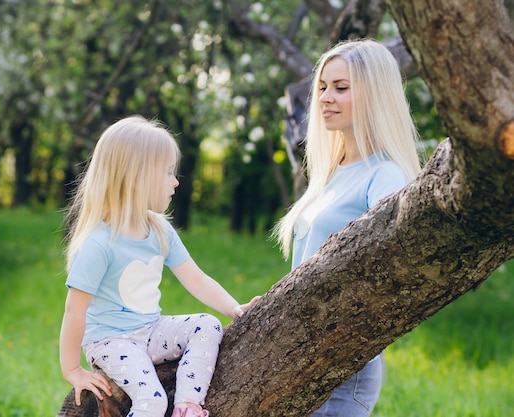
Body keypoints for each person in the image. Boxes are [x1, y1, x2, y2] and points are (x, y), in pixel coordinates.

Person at [59, 115, 260, 417]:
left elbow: (196, 279)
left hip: (151, 330)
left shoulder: (160, 230)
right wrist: (73, 369)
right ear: (136, 176)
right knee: (152, 402)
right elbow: (74, 310)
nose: (175, 181)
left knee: (207, 324)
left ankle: (187, 408)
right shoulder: (99, 243)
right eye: (167, 172)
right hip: (110, 341)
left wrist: (235, 309)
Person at [273, 39, 422, 416]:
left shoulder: (386, 175)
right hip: (300, 356)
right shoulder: (333, 172)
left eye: (341, 88)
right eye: (322, 87)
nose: (325, 97)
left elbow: (389, 272)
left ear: (375, 95)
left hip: (342, 366)